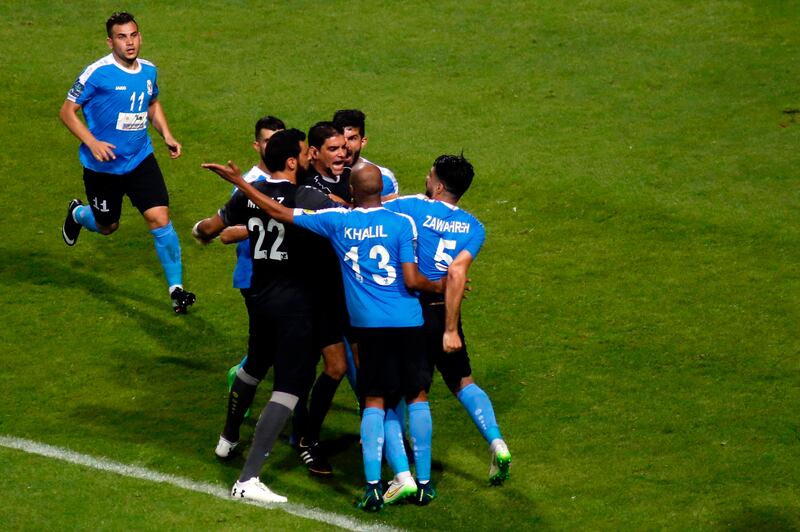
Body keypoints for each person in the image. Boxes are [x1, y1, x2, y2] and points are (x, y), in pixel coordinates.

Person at [202, 161, 444, 512]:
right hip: (409, 321)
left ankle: (376, 486)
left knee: (373, 399)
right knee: (413, 396)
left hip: (367, 324)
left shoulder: (337, 221)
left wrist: (241, 185)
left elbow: (280, 212)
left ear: (352, 192)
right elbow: (411, 277)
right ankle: (420, 481)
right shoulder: (402, 221)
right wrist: (440, 285)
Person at [193, 129, 335, 504]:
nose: (308, 158)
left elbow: (209, 228)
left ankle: (227, 439)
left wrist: (200, 232)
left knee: (255, 363)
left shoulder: (246, 196)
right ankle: (248, 478)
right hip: (295, 306)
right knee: (290, 386)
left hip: (259, 298)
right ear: (291, 161)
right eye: (304, 154)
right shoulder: (310, 198)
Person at [384, 154, 512, 486]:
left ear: (439, 185)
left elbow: (368, 208)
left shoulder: (409, 206)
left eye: (429, 175)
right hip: (447, 311)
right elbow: (458, 270)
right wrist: (451, 328)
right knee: (463, 382)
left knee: (415, 394)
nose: (425, 179)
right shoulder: (474, 226)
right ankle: (497, 443)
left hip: (414, 312)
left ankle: (421, 480)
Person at [59, 11, 195, 313]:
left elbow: (152, 103)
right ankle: (79, 214)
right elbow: (67, 112)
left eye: (133, 35)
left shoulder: (149, 71)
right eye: (122, 37)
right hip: (103, 168)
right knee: (108, 226)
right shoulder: (96, 73)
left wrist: (167, 135)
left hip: (140, 159)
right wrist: (92, 142)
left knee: (160, 218)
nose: (129, 42)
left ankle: (177, 290)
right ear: (110, 42)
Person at [290, 121, 352, 477]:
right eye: (333, 149)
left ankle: (307, 434)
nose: (341, 154)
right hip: (309, 292)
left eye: (344, 147)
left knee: (340, 367)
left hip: (340, 291)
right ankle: (305, 439)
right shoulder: (307, 190)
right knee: (316, 368)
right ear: (313, 154)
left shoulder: (346, 181)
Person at [221, 116, 286, 401]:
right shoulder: (247, 184)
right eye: (269, 141)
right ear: (256, 145)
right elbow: (226, 231)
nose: (275, 147)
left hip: (283, 273)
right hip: (253, 274)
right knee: (272, 346)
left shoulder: (289, 178)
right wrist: (266, 223)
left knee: (276, 342)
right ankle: (242, 382)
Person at [332, 109, 399, 201]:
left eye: (352, 138)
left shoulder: (382, 178)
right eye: (342, 138)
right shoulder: (319, 174)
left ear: (362, 142)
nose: (346, 145)